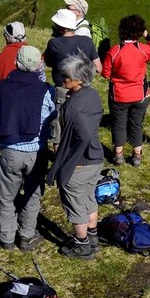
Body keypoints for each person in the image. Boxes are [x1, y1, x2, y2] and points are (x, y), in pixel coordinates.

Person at [0, 45, 56, 251]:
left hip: (9, 149)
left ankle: (7, 237)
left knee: (6, 195)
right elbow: (53, 117)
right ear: (38, 66)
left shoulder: (1, 87)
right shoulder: (46, 90)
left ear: (16, 62)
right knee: (32, 193)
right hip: (36, 150)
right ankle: (26, 235)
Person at [46, 53, 103, 259]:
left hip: (79, 164)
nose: (62, 80)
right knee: (89, 198)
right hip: (96, 159)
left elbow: (84, 134)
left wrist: (72, 156)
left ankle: (82, 246)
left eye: (66, 77)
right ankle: (92, 236)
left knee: (75, 204)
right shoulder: (93, 94)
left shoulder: (72, 107)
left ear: (79, 79)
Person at [100, 14, 150, 166]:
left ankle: (118, 155)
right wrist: (148, 37)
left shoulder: (114, 51)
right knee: (136, 124)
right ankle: (137, 156)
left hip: (119, 96)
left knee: (119, 124)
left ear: (121, 31)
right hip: (140, 95)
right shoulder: (143, 50)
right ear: (139, 32)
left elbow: (105, 74)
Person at [43, 8, 97, 150]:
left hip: (63, 89)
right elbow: (99, 67)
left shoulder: (54, 43)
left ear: (59, 27)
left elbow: (47, 62)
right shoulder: (87, 40)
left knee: (59, 124)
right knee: (81, 122)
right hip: (84, 88)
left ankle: (59, 158)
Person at [0, 21, 27, 92]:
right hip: (31, 99)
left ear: (7, 38)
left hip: (6, 100)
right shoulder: (35, 56)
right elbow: (42, 79)